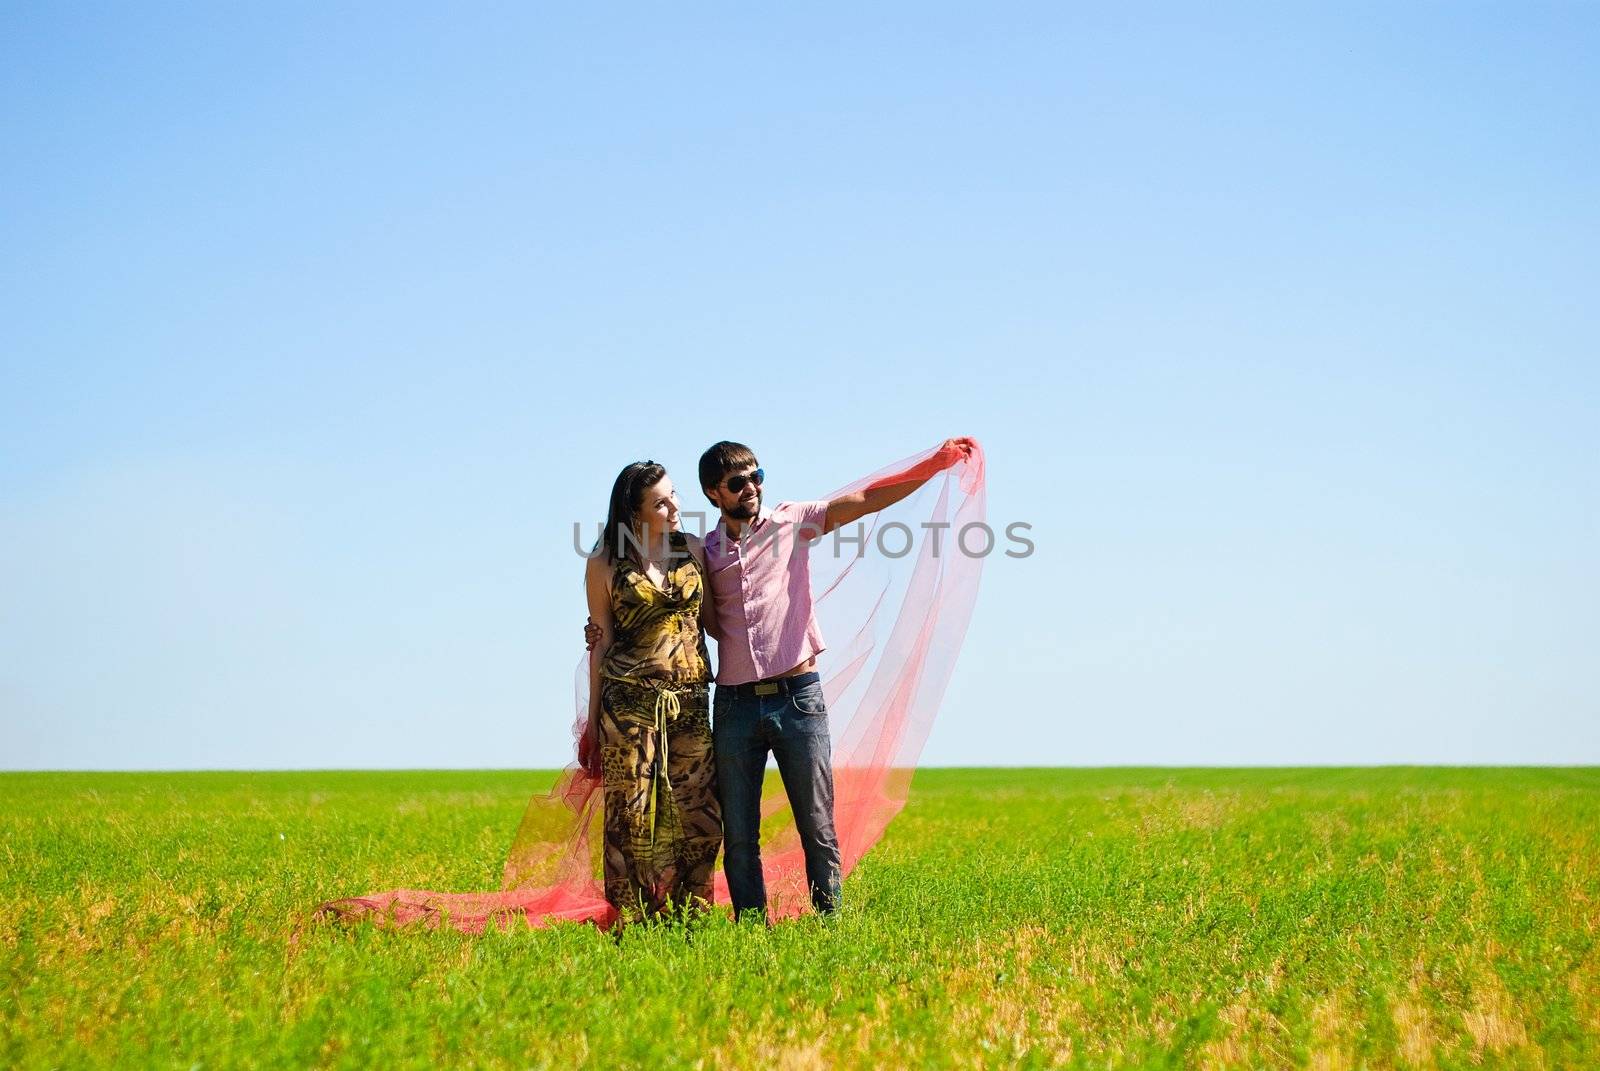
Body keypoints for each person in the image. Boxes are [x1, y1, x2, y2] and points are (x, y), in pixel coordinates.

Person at [590, 437, 978, 920]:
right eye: (738, 483)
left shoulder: (792, 521)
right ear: (715, 493)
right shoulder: (703, 551)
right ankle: (751, 925)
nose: (751, 488)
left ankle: (828, 921)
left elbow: (859, 502)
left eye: (757, 476)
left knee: (816, 823)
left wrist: (932, 466)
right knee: (738, 834)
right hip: (733, 705)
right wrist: (607, 639)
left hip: (798, 699)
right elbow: (692, 616)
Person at [582, 459, 722, 924]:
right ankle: (633, 920)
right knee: (631, 818)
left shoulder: (695, 550)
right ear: (635, 512)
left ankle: (693, 914)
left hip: (691, 699)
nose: (675, 506)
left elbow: (718, 621)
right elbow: (599, 642)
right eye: (661, 502)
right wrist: (592, 718)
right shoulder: (604, 562)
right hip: (627, 705)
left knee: (699, 811)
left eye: (674, 494)